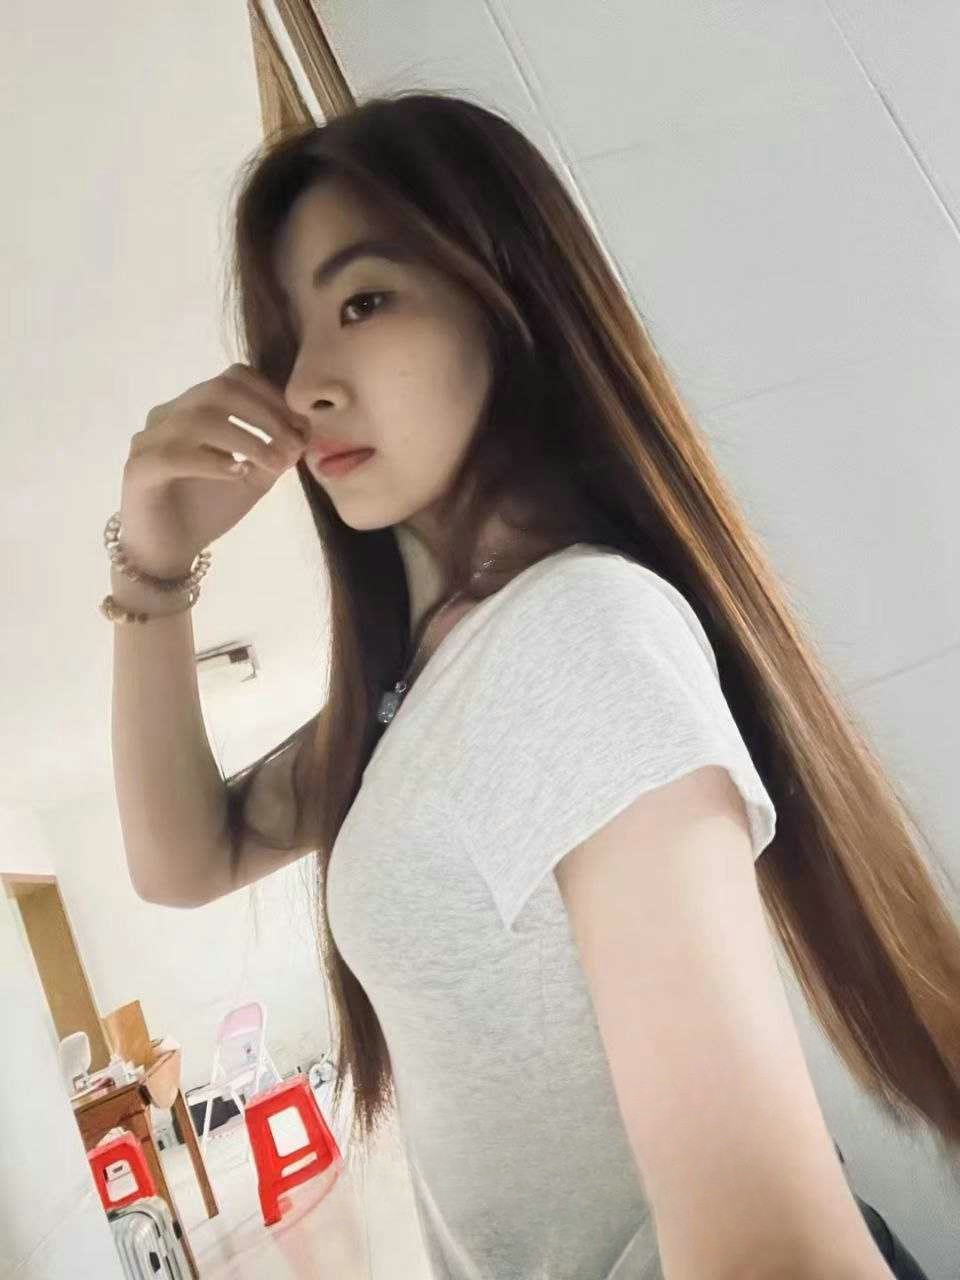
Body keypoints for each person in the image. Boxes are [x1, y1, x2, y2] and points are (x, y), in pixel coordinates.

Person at [105, 92, 959, 1279]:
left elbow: (773, 1254)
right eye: (288, 339)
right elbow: (184, 859)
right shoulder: (432, 679)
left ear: (508, 302)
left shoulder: (573, 633)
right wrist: (151, 561)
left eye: (363, 301)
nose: (306, 386)